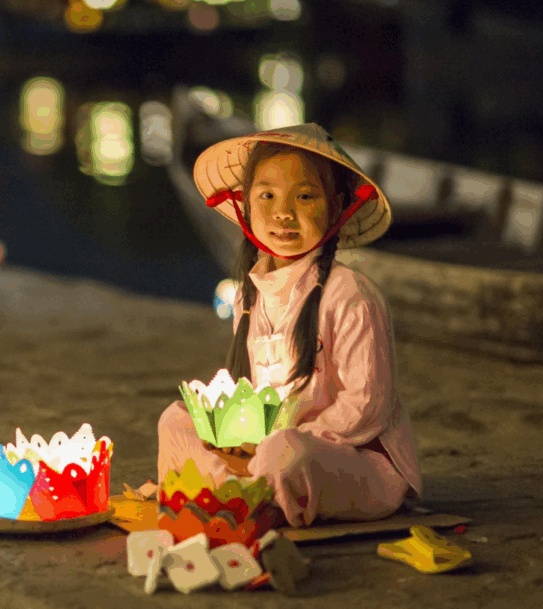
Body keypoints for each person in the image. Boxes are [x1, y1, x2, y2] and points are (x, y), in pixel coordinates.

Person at [157, 123, 422, 528]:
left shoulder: (351, 294)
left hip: (349, 461)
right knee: (175, 420)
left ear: (336, 207)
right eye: (266, 195)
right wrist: (239, 437)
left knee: (284, 453)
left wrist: (280, 439)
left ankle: (243, 500)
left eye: (304, 196)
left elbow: (366, 409)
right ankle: (232, 495)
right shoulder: (249, 293)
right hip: (264, 447)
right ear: (244, 204)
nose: (283, 212)